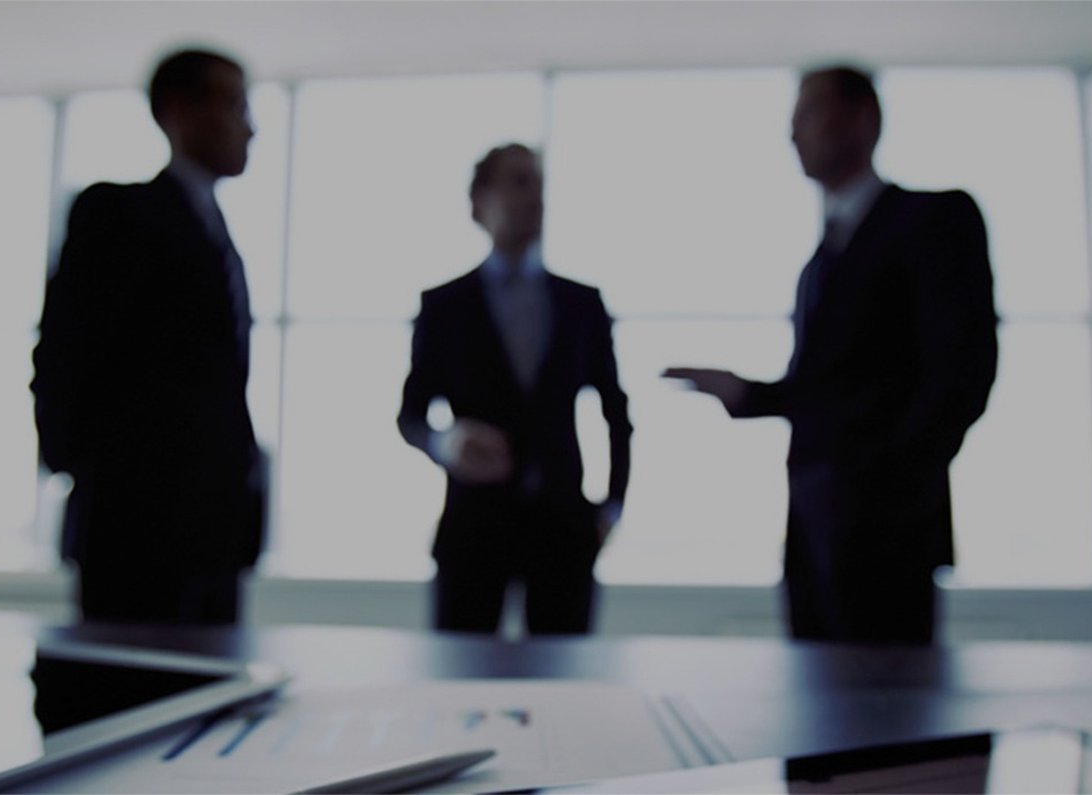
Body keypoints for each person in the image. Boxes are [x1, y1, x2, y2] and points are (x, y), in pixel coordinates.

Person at [664, 66, 998, 645]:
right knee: (819, 707)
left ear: (864, 118)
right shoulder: (818, 263)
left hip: (890, 526)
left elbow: (962, 370)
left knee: (893, 714)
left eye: (809, 112)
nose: (794, 132)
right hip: (811, 525)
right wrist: (744, 392)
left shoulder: (933, 219)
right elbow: (829, 388)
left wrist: (894, 488)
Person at [31, 48, 265, 625]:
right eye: (234, 105)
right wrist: (83, 470)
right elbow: (66, 350)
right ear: (179, 109)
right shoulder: (120, 212)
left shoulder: (219, 232)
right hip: (133, 530)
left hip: (217, 536)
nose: (250, 127)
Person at [398, 143, 633, 636]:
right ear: (479, 202)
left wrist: (612, 505)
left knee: (564, 686)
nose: (536, 199)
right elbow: (411, 416)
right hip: (473, 527)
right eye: (520, 182)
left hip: (565, 528)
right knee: (459, 680)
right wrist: (448, 442)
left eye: (541, 185)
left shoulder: (581, 303)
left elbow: (617, 412)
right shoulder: (444, 305)